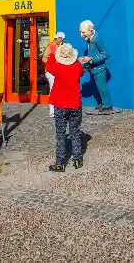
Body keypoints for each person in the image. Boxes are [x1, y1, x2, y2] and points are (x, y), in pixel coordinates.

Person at [45, 41, 85, 171]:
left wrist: (52, 54)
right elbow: (81, 70)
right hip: (75, 105)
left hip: (61, 105)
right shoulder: (77, 67)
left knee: (60, 134)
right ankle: (78, 160)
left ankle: (60, 163)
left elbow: (49, 64)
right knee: (75, 132)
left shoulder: (57, 68)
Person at [79, 20, 113, 114]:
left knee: (102, 87)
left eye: (83, 32)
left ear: (91, 30)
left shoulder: (97, 39)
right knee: (98, 88)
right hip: (95, 69)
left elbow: (106, 54)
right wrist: (87, 60)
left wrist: (91, 59)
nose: (82, 35)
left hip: (100, 69)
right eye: (81, 32)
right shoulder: (90, 39)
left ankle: (108, 105)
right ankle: (102, 104)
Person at [42, 32, 66, 117]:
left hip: (59, 71)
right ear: (58, 38)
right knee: (53, 89)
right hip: (50, 71)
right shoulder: (51, 46)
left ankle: (59, 108)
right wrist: (52, 64)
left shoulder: (62, 47)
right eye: (62, 39)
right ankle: (52, 111)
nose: (62, 41)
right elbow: (44, 58)